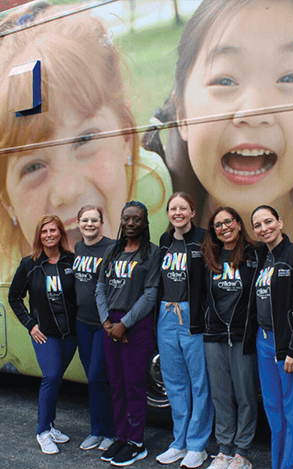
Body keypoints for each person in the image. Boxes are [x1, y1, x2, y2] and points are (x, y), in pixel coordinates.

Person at [0, 0, 171, 370]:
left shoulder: (156, 193)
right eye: (34, 165)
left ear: (125, 138)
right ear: (7, 200)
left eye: (85, 139)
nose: (68, 190)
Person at [144, 0, 293, 255]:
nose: (253, 112)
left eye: (290, 77)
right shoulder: (144, 256)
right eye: (225, 79)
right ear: (182, 114)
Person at [95, 201, 160, 467]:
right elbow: (100, 288)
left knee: (134, 385)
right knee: (116, 384)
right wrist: (106, 322)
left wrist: (126, 323)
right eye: (126, 219)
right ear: (120, 221)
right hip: (110, 324)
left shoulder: (152, 253)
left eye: (136, 219)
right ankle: (121, 436)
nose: (130, 224)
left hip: (136, 325)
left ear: (145, 223)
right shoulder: (112, 251)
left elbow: (151, 293)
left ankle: (136, 442)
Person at [7, 214, 77, 454]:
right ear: (39, 236)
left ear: (60, 233)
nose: (49, 235)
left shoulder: (71, 261)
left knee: (56, 378)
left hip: (70, 334)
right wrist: (30, 324)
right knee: (52, 375)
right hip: (44, 334)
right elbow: (14, 296)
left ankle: (51, 424)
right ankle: (42, 431)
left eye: (53, 231)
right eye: (44, 231)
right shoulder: (29, 264)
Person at [251, 205, 293, 469]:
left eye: (268, 221)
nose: (264, 228)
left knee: (292, 413)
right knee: (273, 412)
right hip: (263, 341)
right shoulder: (260, 258)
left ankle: (291, 465)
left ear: (280, 222)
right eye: (258, 225)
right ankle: (278, 464)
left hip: (287, 346)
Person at [155, 192, 213, 468]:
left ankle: (197, 445)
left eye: (183, 208)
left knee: (199, 382)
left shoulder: (203, 238)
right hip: (166, 315)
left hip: (192, 317)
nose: (177, 212)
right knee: (174, 382)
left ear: (192, 212)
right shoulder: (165, 241)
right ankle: (179, 442)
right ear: (169, 213)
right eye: (173, 208)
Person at [200, 207, 259, 469]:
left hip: (242, 335)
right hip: (213, 335)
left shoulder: (254, 254)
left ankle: (242, 454)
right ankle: (224, 451)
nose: (224, 228)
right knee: (221, 395)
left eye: (228, 222)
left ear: (238, 223)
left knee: (245, 395)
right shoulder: (209, 256)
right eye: (218, 225)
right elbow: (202, 296)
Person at [72, 205, 115, 452]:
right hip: (82, 323)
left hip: (102, 324)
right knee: (92, 378)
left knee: (100, 376)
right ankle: (95, 431)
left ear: (101, 222)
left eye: (94, 220)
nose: (90, 224)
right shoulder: (78, 248)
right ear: (78, 222)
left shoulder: (111, 247)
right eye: (85, 220)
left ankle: (108, 432)